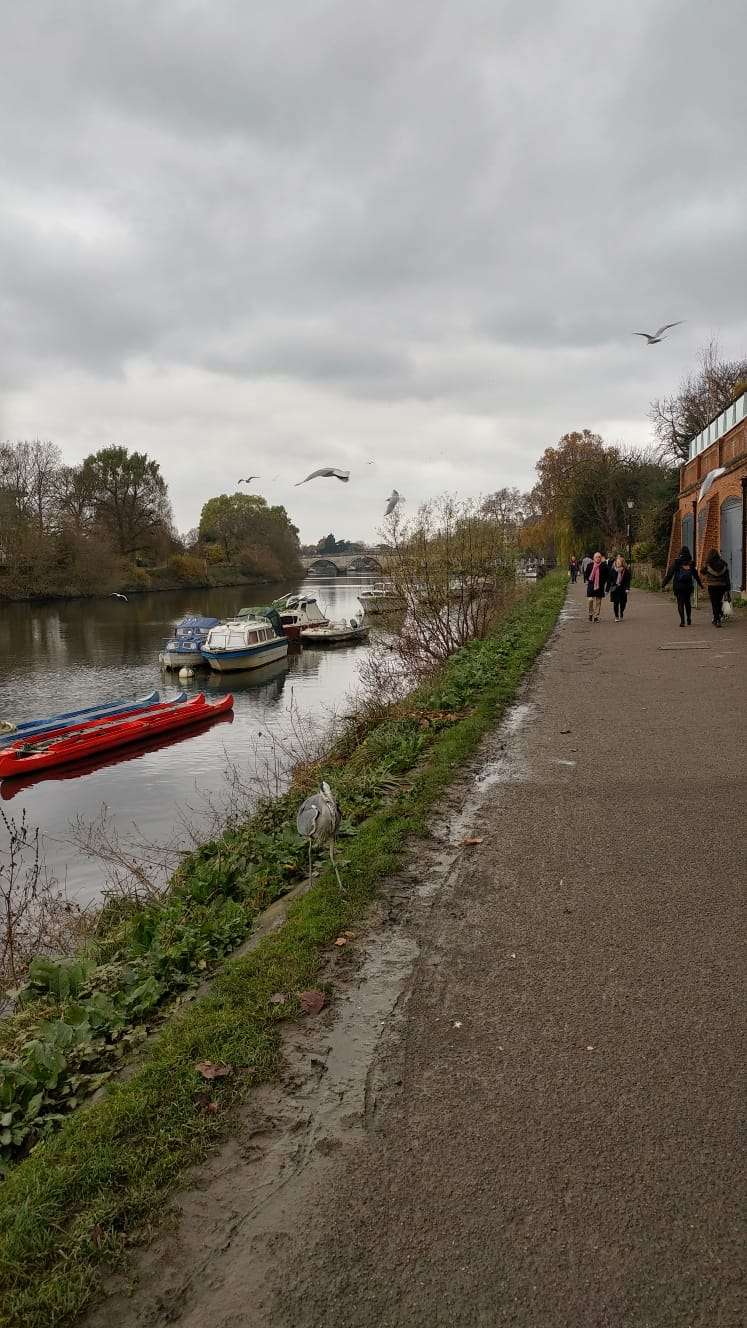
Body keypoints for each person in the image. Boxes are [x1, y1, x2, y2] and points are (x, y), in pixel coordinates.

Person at [662, 546, 703, 626]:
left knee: (680, 603)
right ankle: (689, 618)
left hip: (678, 586)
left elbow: (669, 574)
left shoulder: (676, 563)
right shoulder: (691, 563)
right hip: (688, 586)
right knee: (688, 602)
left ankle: (682, 621)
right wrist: (700, 584)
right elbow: (695, 575)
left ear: (680, 553)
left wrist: (663, 584)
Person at [701, 548, 731, 627]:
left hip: (712, 586)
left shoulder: (708, 564)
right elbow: (727, 578)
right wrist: (728, 589)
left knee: (714, 603)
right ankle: (717, 618)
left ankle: (716, 619)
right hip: (722, 586)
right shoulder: (724, 564)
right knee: (719, 602)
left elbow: (702, 571)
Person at [585, 551, 609, 622]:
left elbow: (607, 575)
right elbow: (586, 575)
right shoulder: (590, 565)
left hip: (600, 586)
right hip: (591, 585)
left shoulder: (604, 566)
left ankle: (596, 616)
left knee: (598, 602)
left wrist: (603, 582)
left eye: (599, 557)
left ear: (601, 558)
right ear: (593, 558)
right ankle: (590, 613)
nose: (598, 558)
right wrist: (590, 580)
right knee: (590, 600)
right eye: (596, 557)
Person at [608, 555, 631, 621]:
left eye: (619, 562)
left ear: (622, 563)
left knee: (623, 603)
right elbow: (609, 580)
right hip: (615, 589)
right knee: (615, 603)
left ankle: (621, 611)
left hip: (623, 589)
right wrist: (608, 589)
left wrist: (627, 588)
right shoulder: (612, 570)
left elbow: (627, 581)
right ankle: (616, 616)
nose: (617, 563)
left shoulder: (626, 571)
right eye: (616, 562)